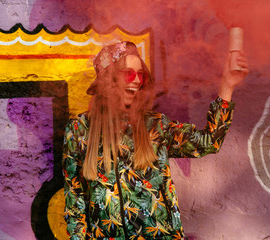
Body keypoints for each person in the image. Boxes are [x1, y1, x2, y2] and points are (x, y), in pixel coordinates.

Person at [62, 41, 248, 239]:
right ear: (110, 79)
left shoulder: (156, 126)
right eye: (128, 73)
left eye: (140, 75)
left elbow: (208, 142)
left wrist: (227, 86)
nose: (136, 81)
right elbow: (75, 203)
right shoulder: (80, 129)